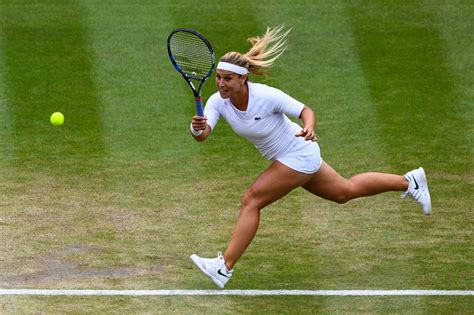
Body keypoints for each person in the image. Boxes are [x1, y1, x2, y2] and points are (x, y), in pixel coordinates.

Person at [189, 26, 431, 289]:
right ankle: (410, 182)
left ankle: (224, 267)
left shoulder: (266, 96)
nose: (221, 84)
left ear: (243, 79)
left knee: (251, 200)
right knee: (344, 191)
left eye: (228, 79)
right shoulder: (216, 102)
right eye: (219, 78)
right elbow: (202, 136)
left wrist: (309, 126)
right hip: (290, 157)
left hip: (298, 152)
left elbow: (305, 110)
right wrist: (197, 127)